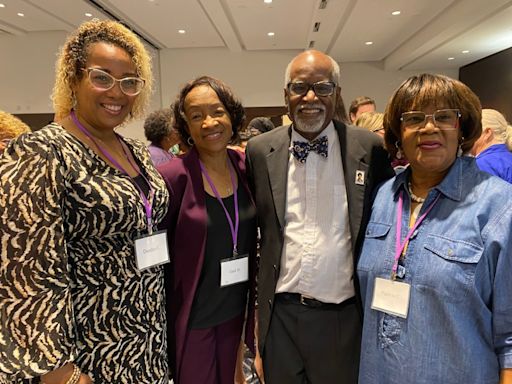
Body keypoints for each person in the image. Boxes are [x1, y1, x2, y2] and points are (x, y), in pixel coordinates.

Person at [0, 20, 169, 384]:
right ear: (73, 79)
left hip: (144, 343)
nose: (117, 91)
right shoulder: (41, 151)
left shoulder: (135, 151)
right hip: (87, 356)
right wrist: (60, 373)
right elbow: (26, 275)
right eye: (102, 77)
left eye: (129, 81)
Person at [245, 49, 394, 384]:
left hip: (342, 319)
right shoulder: (259, 152)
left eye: (323, 88)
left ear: (337, 94)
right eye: (299, 87)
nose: (310, 97)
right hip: (280, 316)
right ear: (286, 95)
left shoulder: (369, 148)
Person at [357, 73, 512, 383]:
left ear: (463, 128)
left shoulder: (499, 206)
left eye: (444, 116)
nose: (429, 127)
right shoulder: (383, 197)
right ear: (399, 134)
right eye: (414, 118)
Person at [158, 76, 257, 384]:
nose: (209, 123)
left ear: (232, 115)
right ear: (185, 126)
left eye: (217, 111)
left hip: (234, 312)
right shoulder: (172, 176)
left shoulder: (245, 166)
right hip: (193, 316)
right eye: (196, 116)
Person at [470, 108, 512, 183]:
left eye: (471, 131)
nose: (467, 137)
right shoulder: (508, 159)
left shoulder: (481, 164)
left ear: (487, 133)